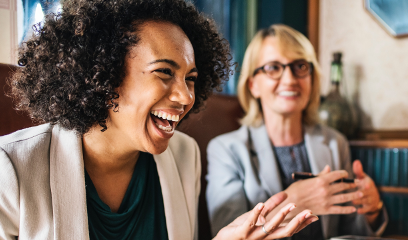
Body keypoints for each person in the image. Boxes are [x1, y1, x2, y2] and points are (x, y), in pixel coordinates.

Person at [0, 1, 318, 239]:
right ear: (104, 75)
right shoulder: (11, 169)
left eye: (191, 78)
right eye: (164, 72)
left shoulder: (185, 155)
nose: (185, 96)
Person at [206, 24, 388, 239]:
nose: (290, 79)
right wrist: (294, 203)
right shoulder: (226, 150)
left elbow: (350, 232)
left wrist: (372, 209)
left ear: (312, 78)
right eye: (274, 67)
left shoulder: (334, 143)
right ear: (253, 84)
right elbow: (227, 234)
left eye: (300, 66)